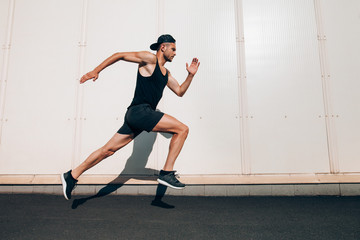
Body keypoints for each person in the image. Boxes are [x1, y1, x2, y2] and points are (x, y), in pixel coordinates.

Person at [61, 34, 200, 200]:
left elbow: (180, 91)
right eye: (173, 49)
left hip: (137, 115)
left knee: (108, 150)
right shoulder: (149, 59)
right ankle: (166, 173)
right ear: (163, 47)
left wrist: (190, 75)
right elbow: (118, 55)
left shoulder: (166, 74)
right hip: (140, 111)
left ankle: (71, 175)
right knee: (182, 129)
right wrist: (95, 71)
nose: (175, 53)